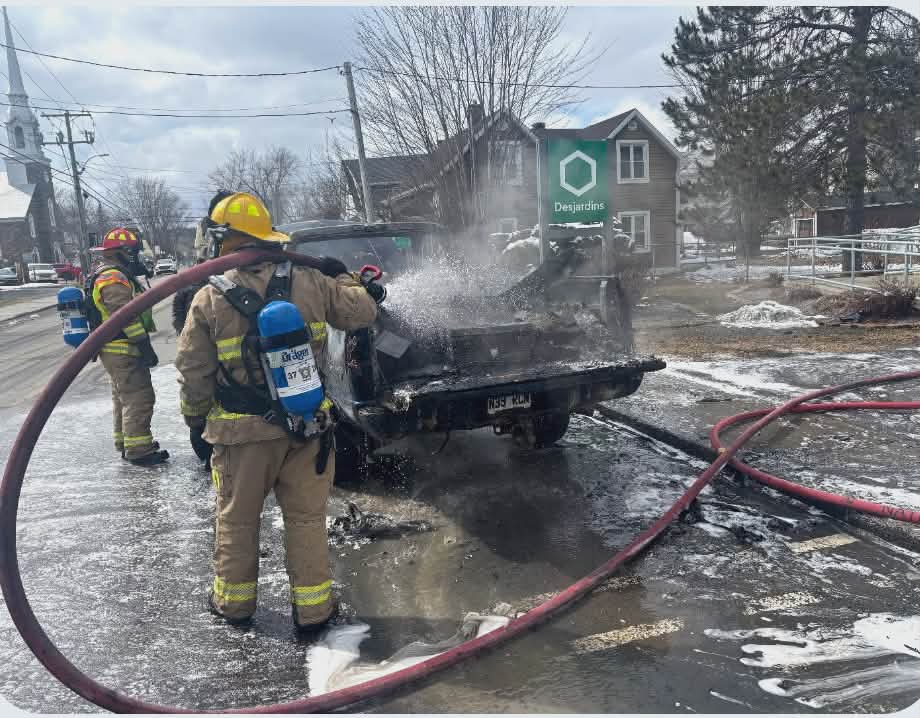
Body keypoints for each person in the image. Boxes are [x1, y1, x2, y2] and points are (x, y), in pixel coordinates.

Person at [175, 191, 383, 633]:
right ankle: (314, 612)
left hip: (241, 437)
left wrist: (195, 419)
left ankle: (234, 606)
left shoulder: (209, 297)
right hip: (308, 426)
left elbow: (193, 370)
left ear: (226, 238)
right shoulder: (312, 280)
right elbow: (364, 311)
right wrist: (344, 277)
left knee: (237, 520)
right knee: (306, 520)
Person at [87, 227, 169, 466]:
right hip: (122, 348)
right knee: (139, 397)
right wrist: (144, 345)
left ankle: (127, 443)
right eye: (133, 252)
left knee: (123, 398)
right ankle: (139, 450)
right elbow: (124, 315)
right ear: (122, 252)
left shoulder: (112, 273)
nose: (137, 257)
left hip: (115, 348)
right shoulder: (113, 277)